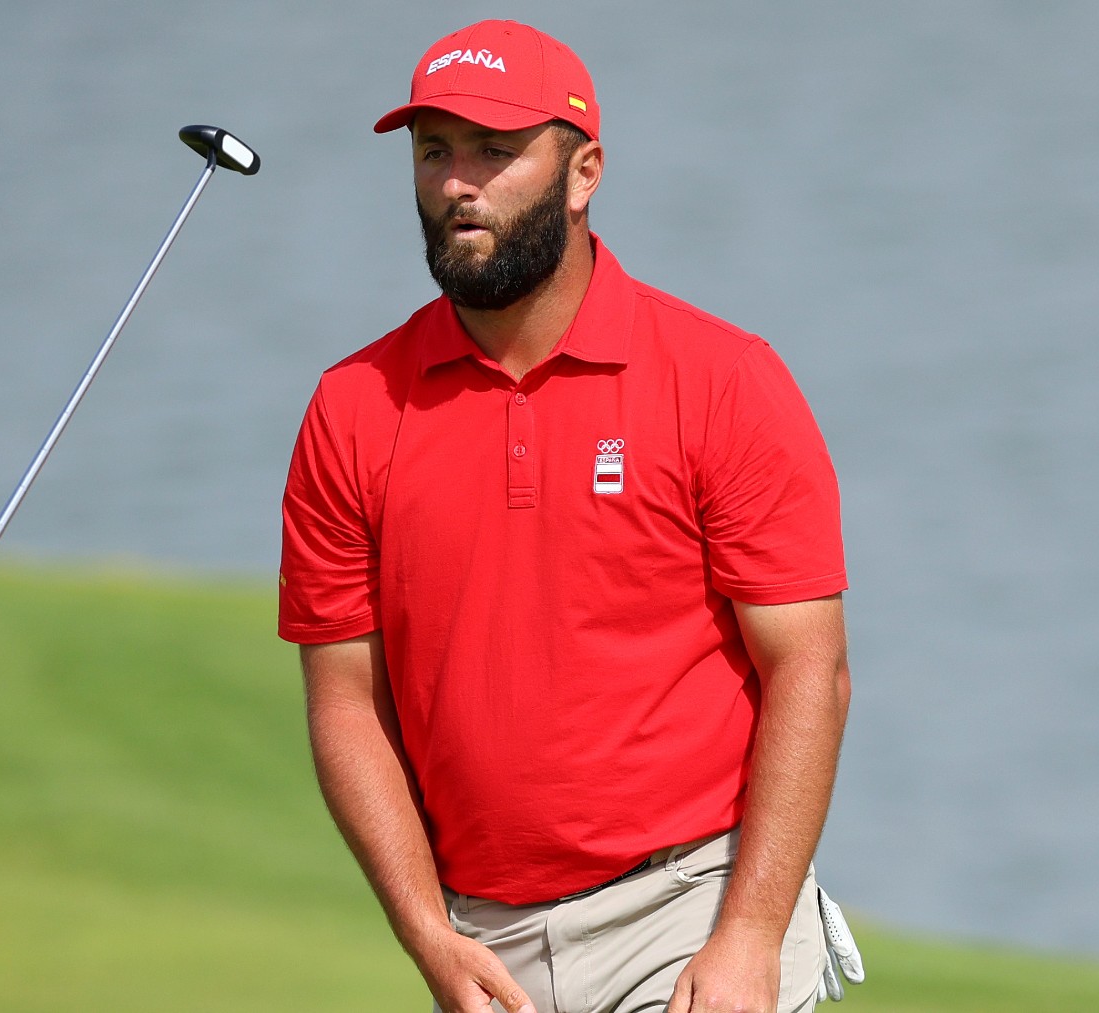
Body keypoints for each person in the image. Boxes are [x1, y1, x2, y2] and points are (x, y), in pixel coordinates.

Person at [278, 20, 852, 1013]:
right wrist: (427, 933)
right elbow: (344, 702)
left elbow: (811, 667)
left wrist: (751, 935)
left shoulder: (722, 381)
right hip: (482, 937)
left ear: (582, 172)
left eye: (495, 153)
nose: (460, 183)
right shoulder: (354, 406)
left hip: (692, 913)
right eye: (434, 152)